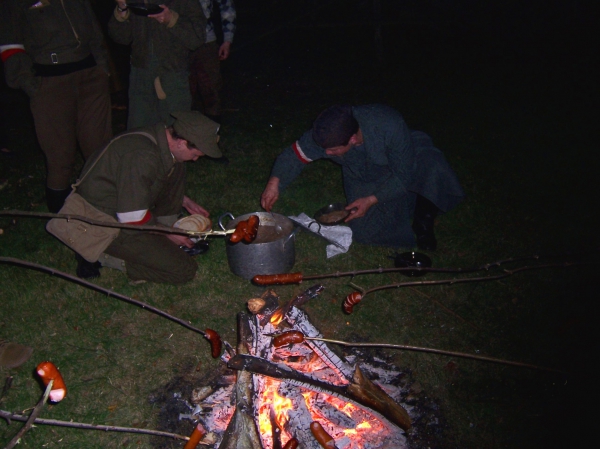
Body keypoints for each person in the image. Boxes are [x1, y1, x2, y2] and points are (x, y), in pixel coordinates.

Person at [261, 104, 465, 250]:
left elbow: (403, 175)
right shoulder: (328, 132)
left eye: (333, 150)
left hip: (404, 158)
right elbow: (295, 154)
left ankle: (424, 219)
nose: (327, 154)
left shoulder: (389, 125)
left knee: (433, 166)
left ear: (352, 138)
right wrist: (275, 181)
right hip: (363, 173)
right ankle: (407, 202)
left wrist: (371, 199)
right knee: (365, 231)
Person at [74, 111, 222, 284]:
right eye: (196, 154)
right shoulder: (142, 156)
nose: (196, 160)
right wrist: (168, 233)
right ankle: (99, 254)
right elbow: (131, 217)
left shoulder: (161, 140)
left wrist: (184, 200)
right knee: (183, 270)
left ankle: (161, 239)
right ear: (182, 142)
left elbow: (145, 182)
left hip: (123, 206)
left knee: (177, 166)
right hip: (102, 221)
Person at [0, 0, 112, 213]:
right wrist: (32, 85)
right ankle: (60, 219)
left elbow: (94, 32)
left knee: (99, 150)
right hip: (49, 83)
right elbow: (10, 45)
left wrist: (102, 69)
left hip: (90, 78)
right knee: (60, 157)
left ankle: (104, 209)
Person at [108, 0, 206, 130]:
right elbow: (122, 37)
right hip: (140, 75)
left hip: (173, 74)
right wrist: (122, 8)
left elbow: (197, 38)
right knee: (139, 133)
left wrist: (171, 19)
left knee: (175, 131)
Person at [189, 0, 236, 124]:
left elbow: (227, 7)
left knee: (211, 91)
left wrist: (227, 40)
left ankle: (212, 135)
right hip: (177, 43)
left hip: (206, 41)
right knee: (183, 93)